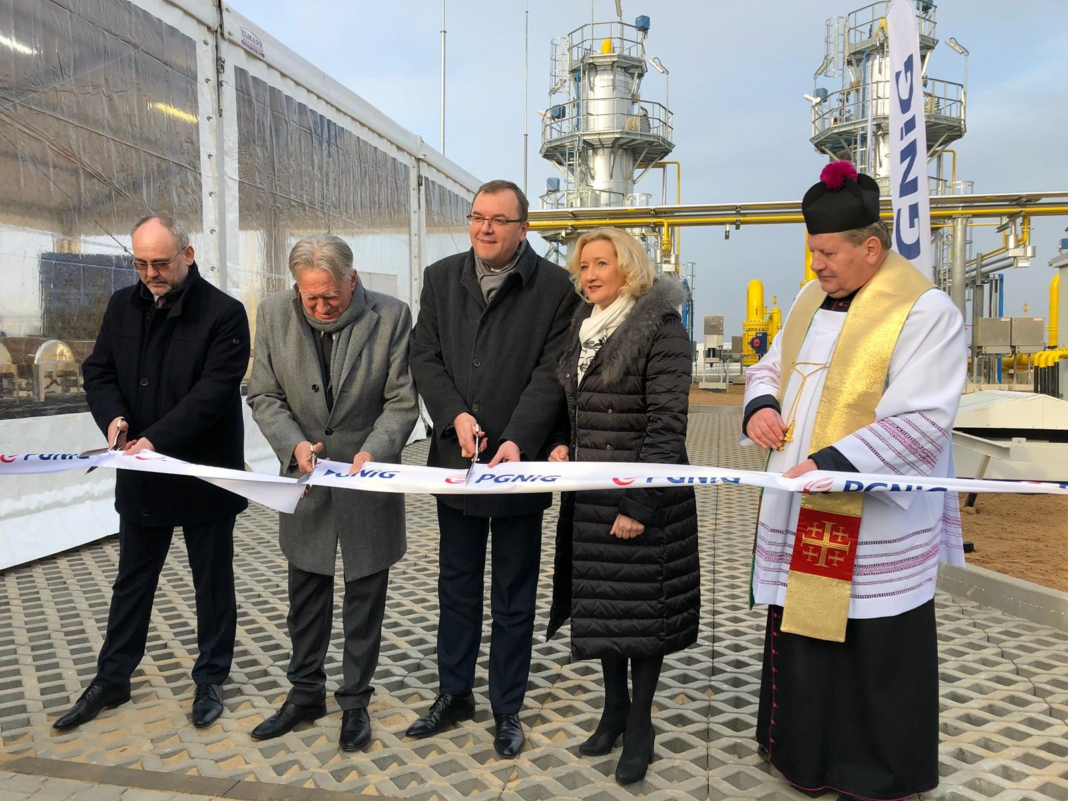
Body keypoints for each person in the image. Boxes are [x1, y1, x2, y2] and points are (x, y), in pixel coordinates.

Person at [742, 161, 966, 800]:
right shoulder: (811, 301)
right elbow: (769, 367)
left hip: (871, 514)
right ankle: (806, 758)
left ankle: (874, 772)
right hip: (804, 497)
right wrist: (761, 407)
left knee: (871, 644)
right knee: (808, 630)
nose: (816, 266)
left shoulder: (925, 312)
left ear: (872, 248)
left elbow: (924, 422)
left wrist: (833, 466)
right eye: (812, 251)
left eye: (827, 252)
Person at [58, 214, 250, 731]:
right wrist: (114, 418)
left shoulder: (225, 314)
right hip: (140, 474)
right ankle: (113, 677)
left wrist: (157, 439)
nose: (150, 273)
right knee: (132, 580)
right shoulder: (123, 305)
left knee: (211, 581)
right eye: (141, 263)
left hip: (204, 473)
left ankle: (210, 678)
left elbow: (213, 393)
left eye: (160, 262)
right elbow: (98, 370)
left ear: (188, 255)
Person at [407, 180, 579, 757]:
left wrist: (518, 441)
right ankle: (454, 693)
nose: (484, 228)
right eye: (477, 217)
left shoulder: (556, 289)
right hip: (455, 465)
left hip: (517, 468)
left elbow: (553, 373)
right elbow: (424, 356)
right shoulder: (441, 277)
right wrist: (453, 413)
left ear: (523, 228)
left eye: (498, 220)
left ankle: (507, 706)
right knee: (455, 588)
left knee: (513, 594)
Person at [246, 235, 418, 751]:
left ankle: (355, 701)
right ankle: (304, 694)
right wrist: (294, 445)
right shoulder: (274, 313)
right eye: (310, 297)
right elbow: (264, 393)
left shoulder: (390, 316)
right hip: (306, 478)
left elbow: (401, 402)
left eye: (331, 298)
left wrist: (375, 451)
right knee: (306, 593)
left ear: (353, 279)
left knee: (365, 596)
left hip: (367, 480)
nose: (320, 307)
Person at [546, 228, 699, 785]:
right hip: (590, 497)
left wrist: (639, 503)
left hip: (643, 501)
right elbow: (574, 404)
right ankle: (613, 711)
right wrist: (560, 440)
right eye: (582, 265)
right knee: (607, 607)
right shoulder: (582, 329)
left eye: (600, 264)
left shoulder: (661, 331)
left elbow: (666, 426)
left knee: (642, 616)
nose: (588, 275)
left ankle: (641, 725)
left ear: (628, 268)